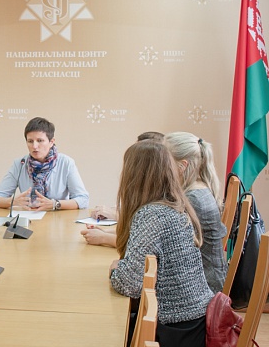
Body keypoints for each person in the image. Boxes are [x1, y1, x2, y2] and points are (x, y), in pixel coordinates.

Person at [109, 140, 213, 346]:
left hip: (177, 328)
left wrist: (115, 269)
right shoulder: (174, 205)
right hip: (194, 320)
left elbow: (128, 284)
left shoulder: (153, 214)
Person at [164, 132, 227, 293]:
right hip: (205, 280)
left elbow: (164, 244)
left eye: (164, 161)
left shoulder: (193, 200)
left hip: (204, 289)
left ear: (182, 166)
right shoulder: (197, 189)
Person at [81, 131, 165, 246]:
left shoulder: (160, 202)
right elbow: (138, 233)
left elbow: (143, 246)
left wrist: (104, 238)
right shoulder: (146, 192)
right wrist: (105, 232)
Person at [0, 117, 89, 211]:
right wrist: (12, 202)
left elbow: (83, 199)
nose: (34, 146)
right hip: (30, 217)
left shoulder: (66, 163)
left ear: (51, 142)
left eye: (40, 141)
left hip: (58, 218)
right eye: (30, 141)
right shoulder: (20, 164)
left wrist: (55, 204)